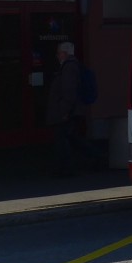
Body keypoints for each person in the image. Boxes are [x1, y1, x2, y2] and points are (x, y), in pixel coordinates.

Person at [45, 41, 86, 175]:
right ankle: (68, 166)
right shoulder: (70, 66)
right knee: (69, 139)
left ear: (64, 53)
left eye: (58, 53)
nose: (57, 56)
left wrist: (64, 112)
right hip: (68, 111)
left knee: (63, 141)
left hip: (65, 113)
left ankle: (65, 168)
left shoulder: (68, 68)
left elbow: (69, 92)